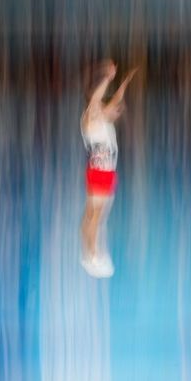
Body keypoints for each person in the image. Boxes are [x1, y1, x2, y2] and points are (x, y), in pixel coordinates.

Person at [79, 60, 137, 278]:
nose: (117, 112)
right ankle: (92, 253)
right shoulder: (91, 117)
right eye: (114, 109)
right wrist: (107, 79)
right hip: (100, 172)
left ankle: (88, 252)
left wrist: (124, 84)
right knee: (96, 215)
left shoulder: (101, 119)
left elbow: (115, 101)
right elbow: (97, 100)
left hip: (103, 171)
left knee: (93, 214)